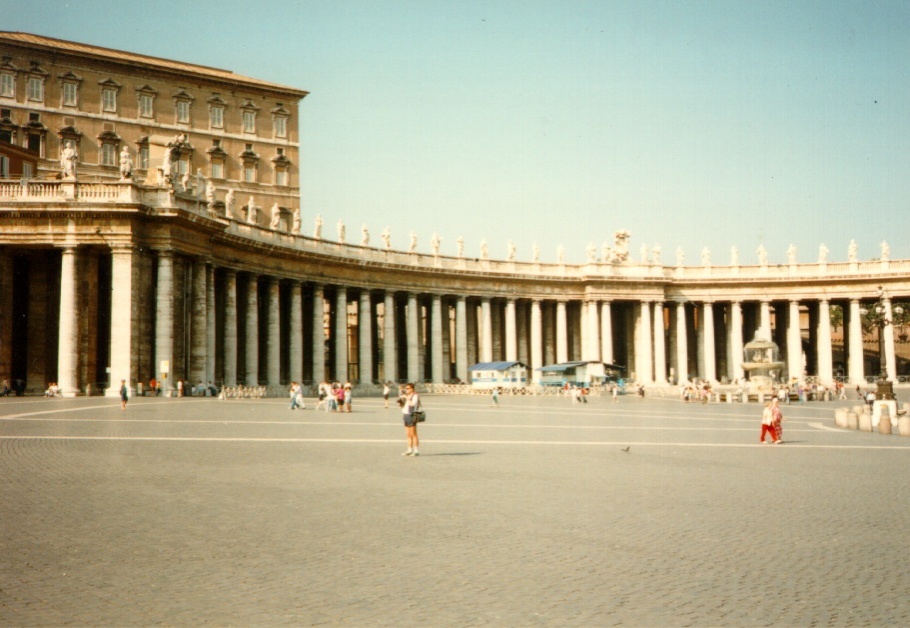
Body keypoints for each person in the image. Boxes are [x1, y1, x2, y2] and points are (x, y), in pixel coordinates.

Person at [400, 382, 421, 456]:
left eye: (407, 388)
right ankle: (409, 449)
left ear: (412, 389)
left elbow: (412, 404)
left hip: (411, 415)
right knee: (408, 434)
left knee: (413, 433)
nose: (406, 390)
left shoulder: (415, 395)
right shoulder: (407, 395)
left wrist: (406, 398)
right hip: (406, 414)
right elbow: (403, 404)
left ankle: (416, 450)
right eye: (406, 388)